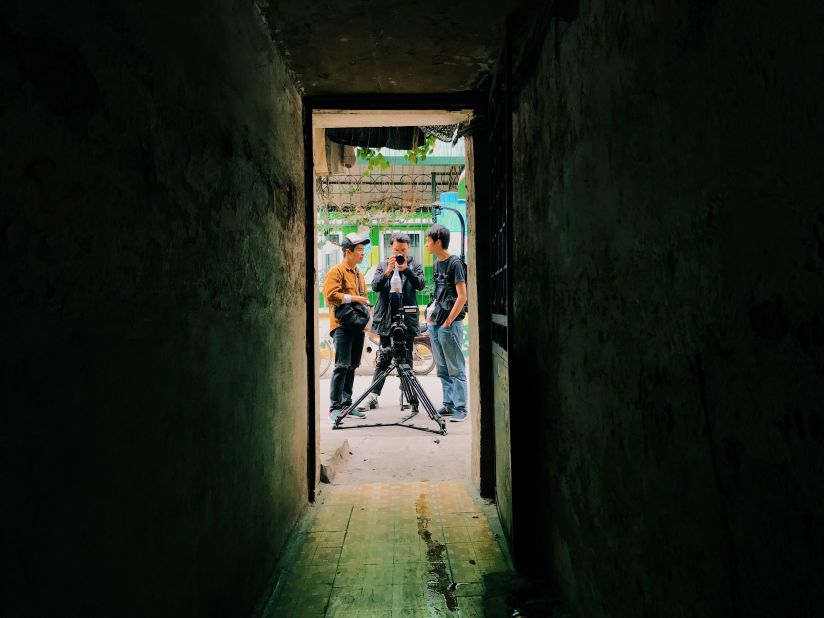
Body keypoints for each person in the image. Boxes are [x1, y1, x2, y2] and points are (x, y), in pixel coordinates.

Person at [360, 232, 426, 411]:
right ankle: (373, 396)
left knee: (406, 357)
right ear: (391, 248)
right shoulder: (382, 266)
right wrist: (389, 271)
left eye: (403, 250)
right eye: (397, 249)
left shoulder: (415, 265)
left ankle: (406, 394)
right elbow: (375, 286)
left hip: (407, 320)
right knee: (384, 357)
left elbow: (421, 285)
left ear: (408, 249)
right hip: (386, 320)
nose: (400, 253)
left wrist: (407, 270)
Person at [322, 232, 371, 424]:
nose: (362, 254)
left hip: (357, 326)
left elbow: (363, 299)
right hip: (342, 326)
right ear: (348, 252)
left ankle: (346, 404)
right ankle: (334, 407)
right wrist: (355, 298)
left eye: (363, 250)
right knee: (341, 366)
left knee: (352, 366)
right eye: (359, 250)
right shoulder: (337, 271)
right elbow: (330, 296)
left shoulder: (359, 274)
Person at [424, 224, 468, 422]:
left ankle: (461, 407)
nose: (426, 245)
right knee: (442, 367)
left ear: (438, 242)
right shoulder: (436, 264)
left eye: (428, 241)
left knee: (456, 367)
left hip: (450, 324)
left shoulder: (455, 263)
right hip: (436, 322)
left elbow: (462, 296)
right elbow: (438, 293)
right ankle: (449, 404)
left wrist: (449, 321)